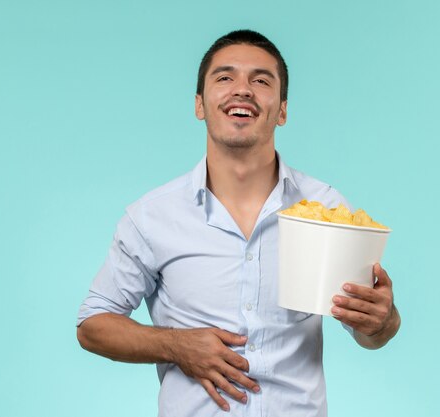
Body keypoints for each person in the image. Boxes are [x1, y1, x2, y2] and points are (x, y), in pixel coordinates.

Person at [76, 29, 400, 416]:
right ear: (200, 104)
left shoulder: (326, 208)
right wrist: (175, 345)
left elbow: (370, 334)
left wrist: (382, 320)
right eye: (225, 77)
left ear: (282, 110)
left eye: (261, 80)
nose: (242, 90)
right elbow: (92, 325)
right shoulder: (151, 218)